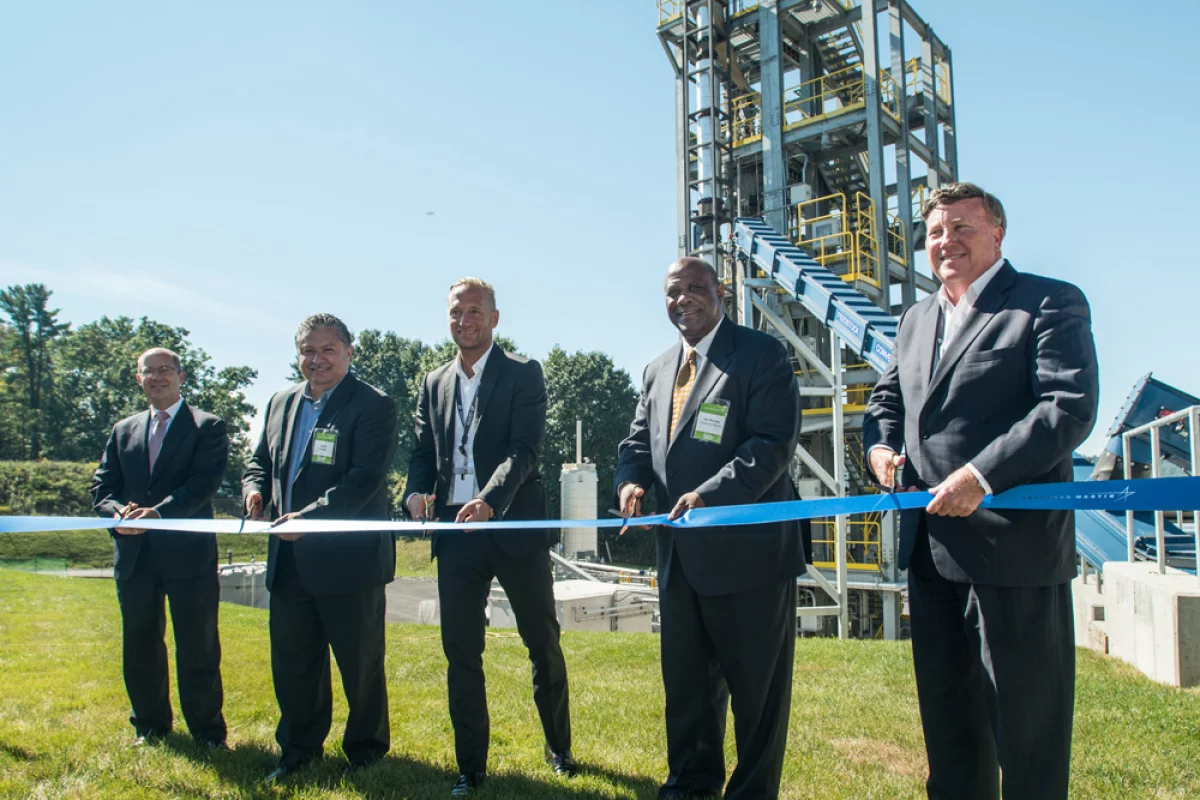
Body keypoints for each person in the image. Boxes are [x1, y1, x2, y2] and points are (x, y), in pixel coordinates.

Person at [863, 182, 1099, 800]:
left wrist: (981, 476)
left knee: (1026, 735)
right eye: (937, 232)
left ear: (997, 234)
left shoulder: (1047, 302)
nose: (948, 242)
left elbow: (1067, 407)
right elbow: (886, 401)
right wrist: (879, 448)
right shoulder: (916, 319)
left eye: (964, 228)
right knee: (951, 730)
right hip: (932, 554)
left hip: (1014, 553)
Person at [613, 257, 803, 800]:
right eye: (674, 291)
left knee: (756, 698)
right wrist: (629, 483)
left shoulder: (761, 356)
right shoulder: (656, 370)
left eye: (696, 288)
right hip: (679, 561)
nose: (684, 299)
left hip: (751, 560)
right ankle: (689, 787)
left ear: (722, 293)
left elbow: (771, 444)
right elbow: (636, 444)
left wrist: (709, 495)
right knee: (688, 691)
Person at [406, 277, 574, 797]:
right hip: (456, 531)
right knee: (460, 650)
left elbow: (526, 450)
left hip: (511, 524)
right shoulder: (433, 382)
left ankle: (559, 747)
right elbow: (420, 449)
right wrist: (413, 492)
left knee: (541, 643)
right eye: (456, 313)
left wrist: (490, 501)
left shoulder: (524, 373)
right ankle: (470, 767)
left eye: (474, 311)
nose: (464, 321)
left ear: (495, 319)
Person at [241, 313, 398, 782]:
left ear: (349, 352)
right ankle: (297, 750)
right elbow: (259, 462)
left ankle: (366, 753)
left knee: (360, 665)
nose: (317, 359)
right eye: (308, 350)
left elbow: (364, 481)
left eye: (328, 349)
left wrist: (307, 522)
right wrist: (255, 490)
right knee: (294, 664)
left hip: (349, 563)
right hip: (288, 562)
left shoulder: (373, 405)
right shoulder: (280, 400)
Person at [90, 347, 228, 750]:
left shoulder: (208, 426)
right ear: (139, 379)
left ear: (181, 375)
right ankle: (149, 726)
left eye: (165, 369)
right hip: (134, 557)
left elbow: (203, 485)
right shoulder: (123, 430)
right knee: (139, 641)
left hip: (188, 555)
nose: (157, 377)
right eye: (148, 372)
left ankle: (207, 732)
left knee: (198, 643)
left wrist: (159, 513)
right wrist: (119, 514)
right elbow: (102, 489)